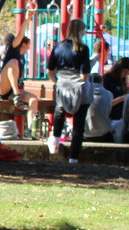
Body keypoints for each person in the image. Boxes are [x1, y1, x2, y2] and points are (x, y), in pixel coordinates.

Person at [46, 20, 92, 163]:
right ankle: (73, 158)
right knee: (79, 125)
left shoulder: (58, 47)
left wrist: (57, 82)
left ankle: (55, 140)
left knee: (60, 111)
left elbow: (49, 71)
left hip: (62, 85)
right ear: (80, 31)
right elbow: (84, 75)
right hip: (79, 88)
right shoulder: (83, 48)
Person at [0, 34, 37, 106]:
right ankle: (16, 94)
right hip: (2, 87)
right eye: (29, 45)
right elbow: (20, 34)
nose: (29, 48)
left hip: (10, 92)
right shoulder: (12, 51)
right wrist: (26, 22)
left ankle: (33, 117)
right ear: (24, 44)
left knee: (34, 99)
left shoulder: (22, 58)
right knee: (13, 62)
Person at [83, 74, 116, 142]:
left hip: (86, 132)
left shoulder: (83, 93)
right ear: (101, 82)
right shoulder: (109, 94)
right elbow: (108, 110)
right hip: (103, 132)